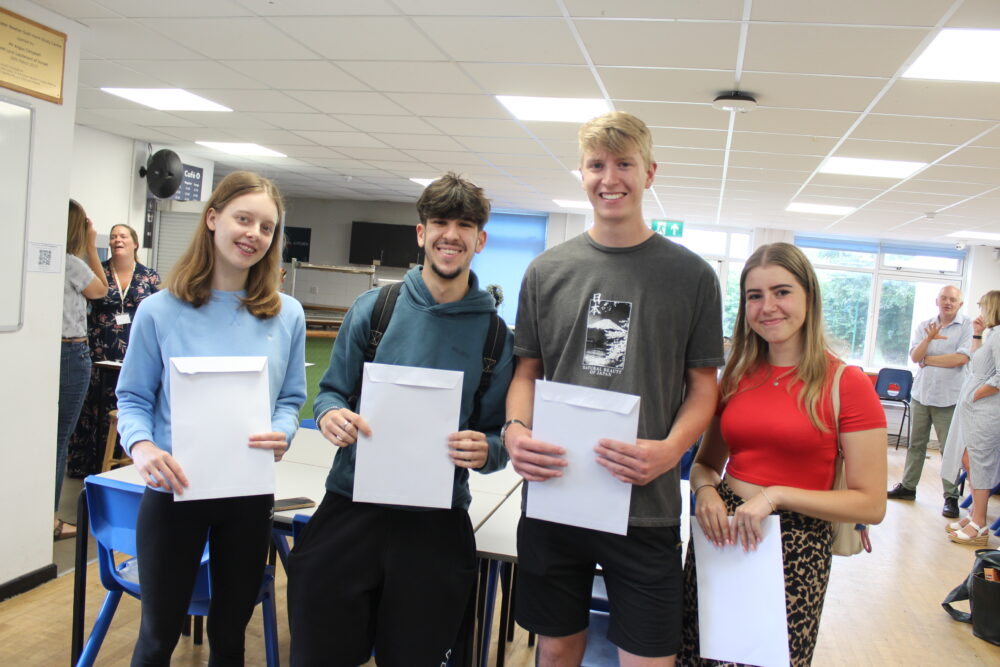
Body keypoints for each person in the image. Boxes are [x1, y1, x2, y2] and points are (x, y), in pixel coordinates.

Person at [504, 110, 723, 666]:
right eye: (597, 164)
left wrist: (672, 450)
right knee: (554, 649)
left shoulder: (693, 277)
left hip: (644, 505)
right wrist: (514, 431)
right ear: (580, 173)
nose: (611, 178)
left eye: (624, 163)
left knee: (649, 656)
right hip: (557, 493)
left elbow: (704, 388)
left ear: (649, 172)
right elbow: (526, 372)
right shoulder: (546, 271)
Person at [286, 173, 514, 666]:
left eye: (464, 224)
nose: (450, 234)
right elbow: (329, 394)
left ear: (480, 239)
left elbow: (501, 437)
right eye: (439, 222)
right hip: (351, 507)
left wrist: (488, 450)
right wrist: (330, 418)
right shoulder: (375, 309)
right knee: (319, 652)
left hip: (436, 525)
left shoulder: (497, 338)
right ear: (421, 233)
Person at [115, 171, 306, 665]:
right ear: (213, 218)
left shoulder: (287, 315)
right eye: (244, 219)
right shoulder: (158, 310)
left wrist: (283, 431)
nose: (255, 235)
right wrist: (143, 448)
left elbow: (290, 399)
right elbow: (133, 399)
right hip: (173, 493)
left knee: (230, 637)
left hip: (247, 495)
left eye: (267, 227)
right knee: (157, 636)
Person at [681, 242, 887, 667]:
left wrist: (776, 495)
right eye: (754, 296)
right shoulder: (736, 375)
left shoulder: (847, 384)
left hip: (796, 547)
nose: (767, 307)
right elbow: (705, 464)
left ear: (809, 296)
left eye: (782, 291)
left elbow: (871, 502)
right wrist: (704, 492)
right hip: (721, 535)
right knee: (697, 656)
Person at [67, 223, 160, 478]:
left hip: (135, 351)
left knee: (126, 406)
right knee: (92, 407)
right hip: (99, 348)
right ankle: (88, 467)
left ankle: (127, 466)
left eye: (123, 236)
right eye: (114, 236)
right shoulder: (99, 271)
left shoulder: (148, 276)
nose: (117, 240)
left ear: (135, 243)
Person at [887, 285, 971, 518]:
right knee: (916, 444)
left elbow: (960, 358)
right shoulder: (925, 326)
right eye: (944, 298)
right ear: (937, 301)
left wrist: (929, 359)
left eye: (953, 299)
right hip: (922, 395)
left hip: (950, 397)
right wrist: (929, 340)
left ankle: (951, 496)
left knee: (949, 450)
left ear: (960, 304)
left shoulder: (966, 326)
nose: (948, 302)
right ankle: (908, 487)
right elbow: (915, 357)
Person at [55, 200, 109, 539]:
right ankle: (51, 520)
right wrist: (91, 245)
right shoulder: (72, 263)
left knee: (48, 437)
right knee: (59, 439)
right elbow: (100, 290)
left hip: (48, 349)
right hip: (71, 351)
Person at [942, 290, 1000, 546]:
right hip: (975, 408)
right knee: (968, 459)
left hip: (986, 410)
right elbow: (975, 364)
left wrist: (975, 395)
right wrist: (977, 333)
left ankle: (980, 523)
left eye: (983, 307)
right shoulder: (992, 335)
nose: (980, 312)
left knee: (980, 463)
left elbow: (999, 378)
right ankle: (974, 515)